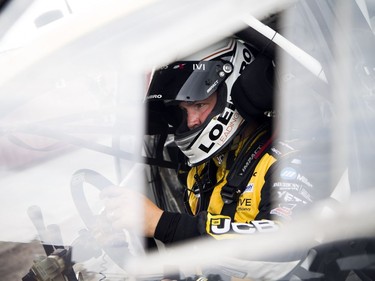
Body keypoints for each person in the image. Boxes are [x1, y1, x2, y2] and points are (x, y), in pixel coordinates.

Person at [101, 37, 314, 256]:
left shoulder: (287, 161)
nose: (192, 121)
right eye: (183, 111)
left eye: (199, 105)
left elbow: (288, 241)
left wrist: (163, 223)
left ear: (233, 93)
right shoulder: (199, 169)